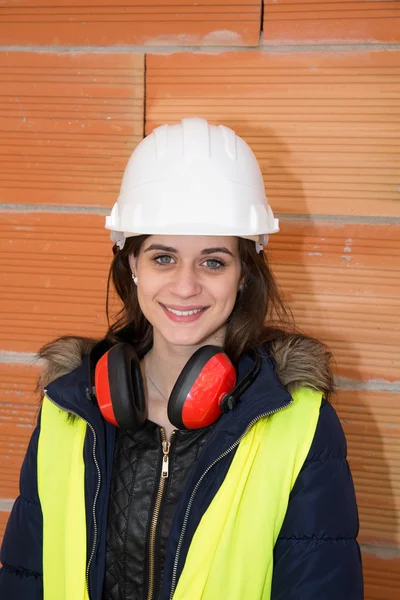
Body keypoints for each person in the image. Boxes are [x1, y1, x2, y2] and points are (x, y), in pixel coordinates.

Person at [0, 118, 363, 600]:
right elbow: (27, 577)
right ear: (132, 264)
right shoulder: (69, 409)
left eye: (213, 261)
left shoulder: (300, 424)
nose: (186, 285)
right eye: (163, 257)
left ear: (243, 275)